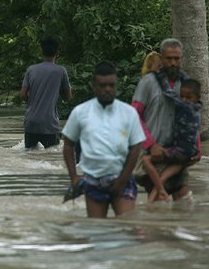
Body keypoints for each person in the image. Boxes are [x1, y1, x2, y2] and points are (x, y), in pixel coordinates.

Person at [61, 61, 146, 218]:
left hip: (123, 179)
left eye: (111, 85)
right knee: (97, 230)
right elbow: (68, 145)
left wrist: (122, 180)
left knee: (127, 229)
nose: (107, 89)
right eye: (102, 85)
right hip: (93, 181)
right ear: (94, 85)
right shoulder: (80, 112)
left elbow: (136, 147)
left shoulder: (129, 113)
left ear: (116, 85)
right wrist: (73, 177)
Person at [131, 38, 200, 201]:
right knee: (158, 203)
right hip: (152, 151)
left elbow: (192, 115)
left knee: (184, 200)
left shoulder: (185, 83)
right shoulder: (148, 82)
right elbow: (134, 115)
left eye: (177, 58)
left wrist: (197, 146)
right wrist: (151, 144)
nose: (173, 63)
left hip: (176, 150)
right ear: (162, 59)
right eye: (169, 59)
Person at [141, 78, 202, 202]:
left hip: (181, 151)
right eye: (182, 96)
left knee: (147, 161)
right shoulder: (196, 109)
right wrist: (198, 150)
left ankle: (156, 195)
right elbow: (196, 133)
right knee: (165, 177)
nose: (184, 100)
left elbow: (169, 93)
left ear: (197, 97)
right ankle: (155, 197)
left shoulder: (187, 109)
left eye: (188, 97)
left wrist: (160, 78)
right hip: (188, 151)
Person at [19, 37, 72, 149]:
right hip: (49, 123)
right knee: (51, 157)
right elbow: (67, 97)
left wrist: (33, 102)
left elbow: (22, 94)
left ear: (41, 51)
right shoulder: (61, 71)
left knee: (29, 156)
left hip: (31, 122)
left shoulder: (31, 70)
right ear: (57, 52)